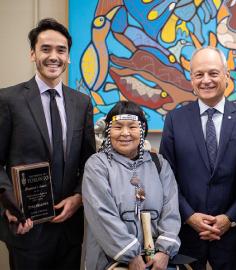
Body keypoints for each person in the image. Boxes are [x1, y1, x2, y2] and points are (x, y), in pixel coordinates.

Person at [0, 18, 96, 269]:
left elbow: (89, 161)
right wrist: (12, 205)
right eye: (45, 49)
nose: (54, 56)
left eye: (61, 50)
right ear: (32, 54)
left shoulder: (82, 102)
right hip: (27, 227)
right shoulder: (8, 100)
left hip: (69, 229)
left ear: (69, 57)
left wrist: (78, 197)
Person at [160, 46, 236, 270]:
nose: (206, 80)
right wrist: (189, 216)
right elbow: (166, 177)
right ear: (191, 79)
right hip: (186, 230)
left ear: (227, 76)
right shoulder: (175, 119)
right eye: (199, 74)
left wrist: (230, 217)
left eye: (213, 73)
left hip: (232, 232)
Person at [82, 101, 181, 270]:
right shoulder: (97, 164)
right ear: (108, 131)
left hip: (155, 262)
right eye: (118, 127)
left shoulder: (159, 164)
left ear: (142, 129)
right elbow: (102, 214)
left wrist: (164, 251)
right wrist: (130, 255)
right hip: (110, 261)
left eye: (132, 127)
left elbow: (171, 210)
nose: (125, 133)